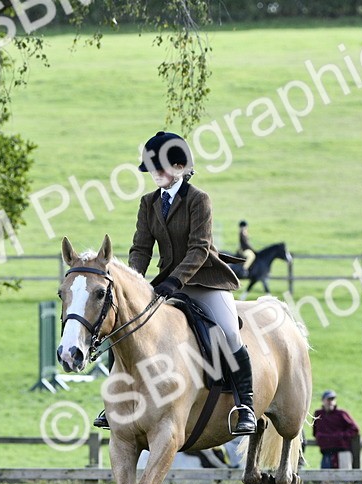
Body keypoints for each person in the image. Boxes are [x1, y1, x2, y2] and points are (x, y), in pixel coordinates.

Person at [96, 130, 253, 435]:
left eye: (162, 168)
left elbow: (200, 248)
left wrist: (174, 281)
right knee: (124, 327)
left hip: (204, 281)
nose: (156, 174)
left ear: (180, 168)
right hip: (165, 283)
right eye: (152, 169)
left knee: (230, 333)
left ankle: (244, 404)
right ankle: (120, 399)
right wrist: (133, 284)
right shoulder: (148, 203)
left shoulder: (199, 200)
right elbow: (141, 248)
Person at [312, 390, 359, 469]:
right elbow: (315, 431)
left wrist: (341, 436)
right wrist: (320, 438)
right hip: (326, 453)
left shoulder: (341, 414)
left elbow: (354, 429)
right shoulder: (318, 414)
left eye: (332, 399)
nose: (331, 402)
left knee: (344, 479)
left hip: (342, 452)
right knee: (325, 479)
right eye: (328, 399)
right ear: (323, 400)